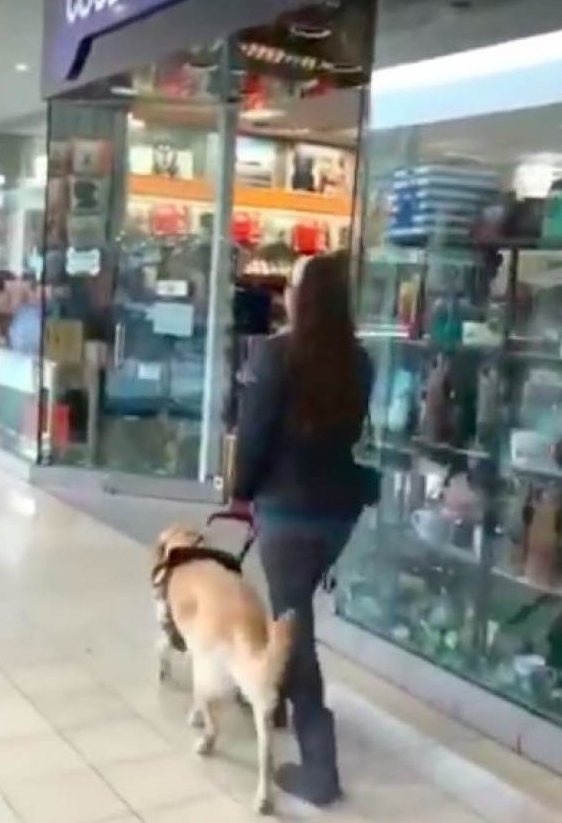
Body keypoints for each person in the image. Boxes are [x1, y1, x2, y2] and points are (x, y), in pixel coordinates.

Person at [234, 251, 374, 807]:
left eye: (293, 284)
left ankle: (320, 769)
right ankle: (279, 701)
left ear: (305, 297)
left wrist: (240, 490)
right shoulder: (360, 362)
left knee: (293, 635)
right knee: (295, 614)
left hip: (287, 512)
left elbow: (254, 434)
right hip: (339, 512)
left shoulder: (277, 356)